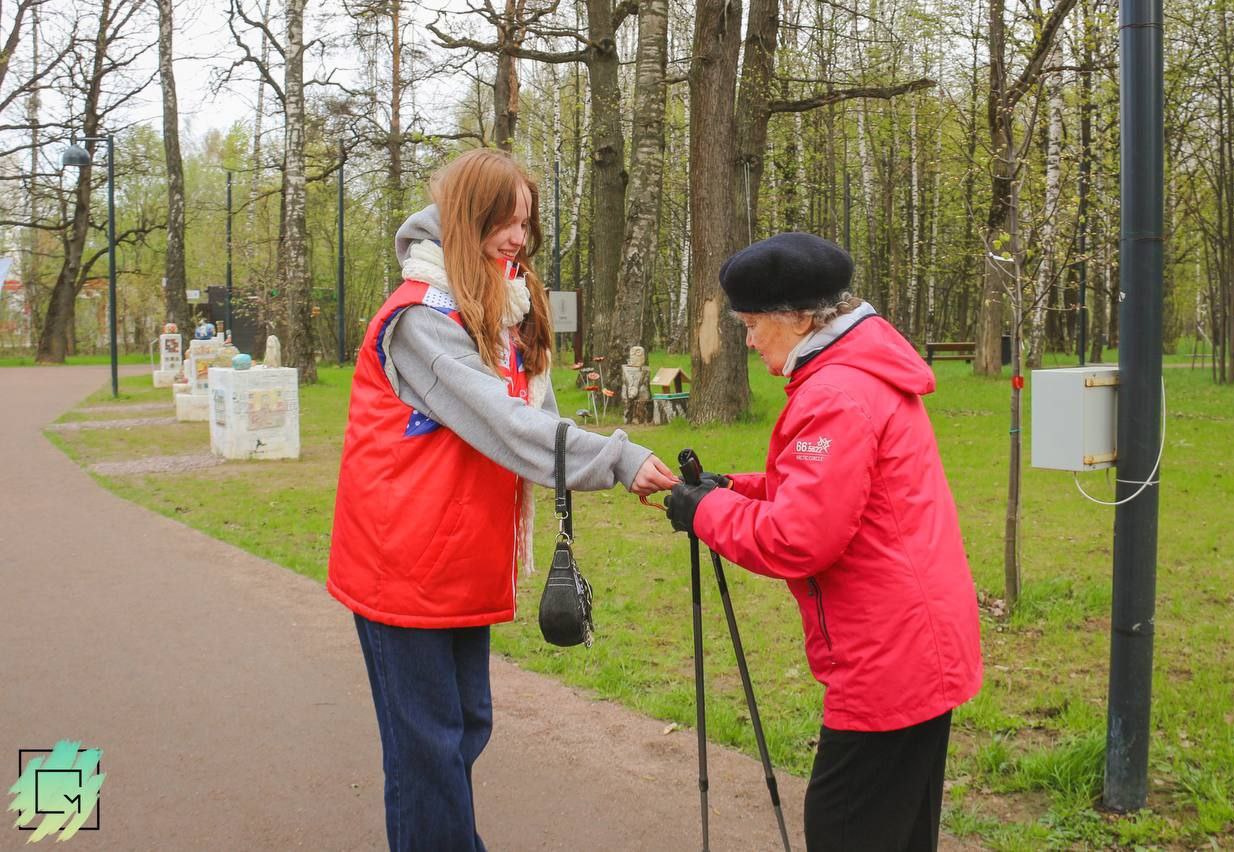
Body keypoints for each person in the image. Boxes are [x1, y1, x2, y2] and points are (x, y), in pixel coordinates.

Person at [328, 148, 678, 852]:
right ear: (466, 218)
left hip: (456, 560)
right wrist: (616, 457)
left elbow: (529, 409)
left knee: (466, 724)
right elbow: (505, 422)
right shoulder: (423, 318)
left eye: (526, 221)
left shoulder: (495, 302)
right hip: (404, 566)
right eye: (504, 220)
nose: (519, 236)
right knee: (428, 751)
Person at [665, 232, 982, 852]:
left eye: (753, 324)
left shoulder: (836, 393)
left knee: (844, 828)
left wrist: (707, 512)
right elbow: (827, 492)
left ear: (801, 318)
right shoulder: (856, 370)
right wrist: (732, 489)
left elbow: (799, 538)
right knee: (898, 830)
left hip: (888, 656)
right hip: (918, 643)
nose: (750, 340)